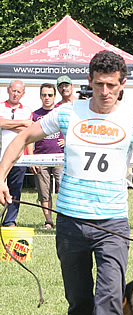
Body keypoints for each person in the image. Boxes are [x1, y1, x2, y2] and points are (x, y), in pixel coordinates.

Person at [0, 50, 133, 315]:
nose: (105, 91)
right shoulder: (68, 113)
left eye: (112, 85)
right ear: (89, 82)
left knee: (109, 295)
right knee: (79, 298)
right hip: (70, 221)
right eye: (99, 84)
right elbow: (21, 138)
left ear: (123, 85)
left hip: (112, 224)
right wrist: (1, 176)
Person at [28, 82, 64, 229]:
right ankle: (48, 221)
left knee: (64, 189)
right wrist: (30, 159)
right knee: (44, 191)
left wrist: (67, 140)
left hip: (60, 158)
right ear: (40, 96)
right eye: (44, 95)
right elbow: (29, 138)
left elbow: (75, 129)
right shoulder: (35, 115)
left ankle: (65, 221)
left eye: (50, 95)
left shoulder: (61, 112)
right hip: (40, 158)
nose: (47, 98)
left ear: (55, 96)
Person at [0, 80, 32, 226]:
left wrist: (8, 124)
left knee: (16, 189)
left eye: (18, 92)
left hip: (20, 157)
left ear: (23, 94)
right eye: (13, 90)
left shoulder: (27, 110)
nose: (15, 94)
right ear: (8, 90)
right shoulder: (1, 107)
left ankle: (10, 220)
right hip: (2, 155)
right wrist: (22, 123)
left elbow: (29, 132)